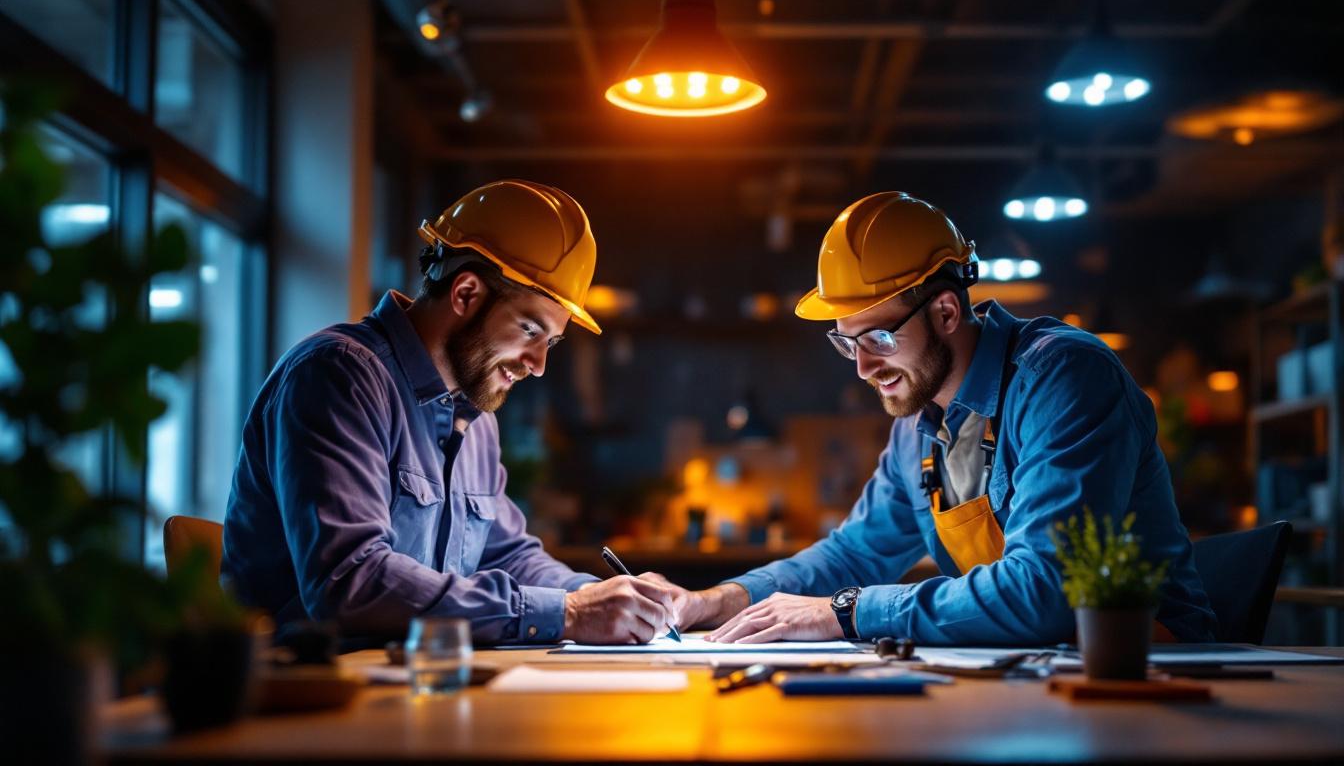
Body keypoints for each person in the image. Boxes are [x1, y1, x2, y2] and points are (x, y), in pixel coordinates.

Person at [662, 192, 1217, 645]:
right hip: (1031, 670)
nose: (863, 368)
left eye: (878, 338)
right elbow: (854, 553)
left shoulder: (1063, 378)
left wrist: (849, 610)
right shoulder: (917, 427)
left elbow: (1045, 591)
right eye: (848, 343)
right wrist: (713, 601)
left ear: (946, 311)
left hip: (1157, 669)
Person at [222, 180, 677, 645]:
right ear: (465, 294)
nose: (539, 365)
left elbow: (507, 556)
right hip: (304, 683)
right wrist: (570, 612)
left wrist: (603, 596)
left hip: (410, 678)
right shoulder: (339, 376)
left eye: (551, 342)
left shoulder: (476, 418)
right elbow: (350, 581)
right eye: (529, 330)